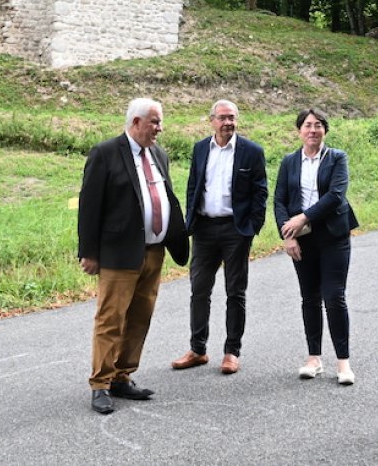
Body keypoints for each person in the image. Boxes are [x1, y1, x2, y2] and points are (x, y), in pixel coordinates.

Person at [78, 98, 189, 415]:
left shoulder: (158, 154)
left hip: (154, 252)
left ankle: (122, 376)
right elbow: (89, 207)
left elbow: (163, 196)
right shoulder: (105, 153)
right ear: (136, 122)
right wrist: (88, 252)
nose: (159, 128)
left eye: (160, 122)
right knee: (111, 319)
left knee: (140, 317)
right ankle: (100, 383)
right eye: (155, 122)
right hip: (117, 254)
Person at [171, 100, 269, 375]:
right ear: (212, 120)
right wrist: (191, 220)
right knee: (199, 289)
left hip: (235, 230)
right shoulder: (201, 148)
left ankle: (231, 351)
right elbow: (193, 185)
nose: (228, 123)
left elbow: (260, 192)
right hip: (203, 229)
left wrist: (251, 228)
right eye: (223, 118)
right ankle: (198, 349)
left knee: (235, 291)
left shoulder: (251, 151)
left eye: (232, 118)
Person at [274, 107, 359, 385]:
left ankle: (343, 363)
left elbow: (336, 195)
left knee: (334, 297)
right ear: (299, 131)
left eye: (319, 125)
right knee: (309, 297)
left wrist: (303, 217)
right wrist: (288, 234)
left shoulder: (337, 158)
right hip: (302, 238)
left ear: (325, 130)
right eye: (308, 125)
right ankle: (314, 359)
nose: (313, 130)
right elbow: (280, 200)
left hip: (333, 235)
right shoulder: (289, 162)